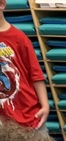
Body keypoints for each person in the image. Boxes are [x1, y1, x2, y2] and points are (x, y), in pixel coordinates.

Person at [0, 0, 49, 131]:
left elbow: (36, 74)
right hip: (4, 122)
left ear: (2, 4)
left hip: (28, 116)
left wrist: (45, 105)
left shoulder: (19, 38)